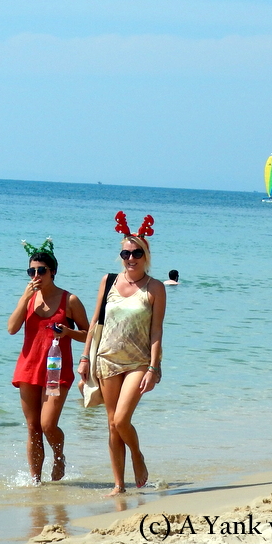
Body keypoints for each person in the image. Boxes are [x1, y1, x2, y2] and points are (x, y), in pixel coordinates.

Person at [79, 212, 166, 496]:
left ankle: (137, 456)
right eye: (126, 253)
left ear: (146, 255)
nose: (131, 258)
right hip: (106, 359)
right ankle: (119, 485)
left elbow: (156, 331)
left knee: (120, 420)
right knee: (111, 426)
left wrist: (154, 368)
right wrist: (84, 358)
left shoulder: (155, 288)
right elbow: (95, 322)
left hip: (138, 362)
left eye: (137, 253)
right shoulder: (108, 281)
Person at [8, 238, 89, 484]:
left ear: (53, 271)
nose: (36, 275)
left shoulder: (69, 300)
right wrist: (24, 298)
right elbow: (12, 328)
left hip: (57, 369)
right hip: (28, 367)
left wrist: (68, 332)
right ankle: (35, 482)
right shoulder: (29, 299)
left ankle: (59, 456)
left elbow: (90, 335)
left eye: (41, 270)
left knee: (47, 425)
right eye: (31, 271)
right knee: (33, 428)